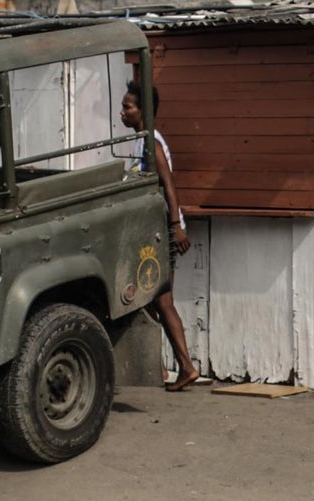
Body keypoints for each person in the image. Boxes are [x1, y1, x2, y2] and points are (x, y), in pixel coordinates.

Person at [119, 80, 201, 392]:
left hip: (161, 231)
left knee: (162, 300)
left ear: (145, 111)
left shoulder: (151, 142)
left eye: (128, 107)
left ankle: (186, 367)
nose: (123, 112)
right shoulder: (141, 141)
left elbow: (168, 185)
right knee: (156, 301)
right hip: (152, 231)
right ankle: (168, 368)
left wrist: (176, 225)